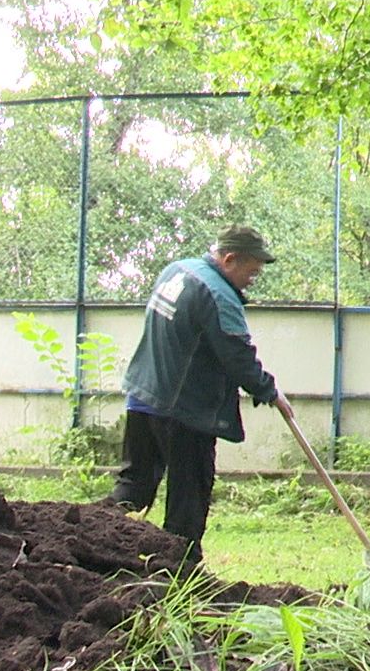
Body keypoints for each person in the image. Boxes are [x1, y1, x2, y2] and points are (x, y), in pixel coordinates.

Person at [111, 225, 292, 567]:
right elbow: (237, 355)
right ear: (229, 259)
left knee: (133, 486)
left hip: (142, 397)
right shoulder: (218, 295)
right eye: (252, 270)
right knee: (188, 500)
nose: (254, 278)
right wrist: (269, 391)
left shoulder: (176, 271)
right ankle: (179, 574)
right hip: (182, 414)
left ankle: (94, 549)